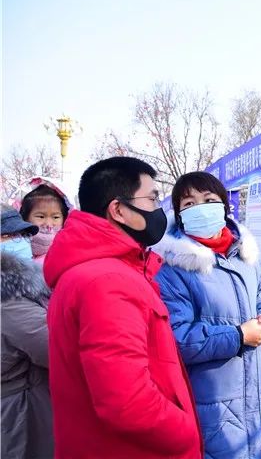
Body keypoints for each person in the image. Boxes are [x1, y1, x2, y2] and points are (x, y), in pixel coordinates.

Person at [43, 157, 202, 459]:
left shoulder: (95, 271)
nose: (158, 210)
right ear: (118, 210)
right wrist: (186, 433)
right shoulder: (108, 281)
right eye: (152, 199)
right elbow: (127, 402)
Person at [154, 171, 261, 459]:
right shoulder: (171, 267)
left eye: (209, 200)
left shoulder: (245, 255)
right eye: (189, 203)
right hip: (210, 403)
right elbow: (175, 338)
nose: (200, 208)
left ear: (224, 206)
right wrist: (238, 336)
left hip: (256, 397)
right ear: (179, 214)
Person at [1, 205, 54, 458]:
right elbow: (54, 347)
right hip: (21, 412)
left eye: (22, 235)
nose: (19, 241)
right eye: (8, 236)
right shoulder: (9, 300)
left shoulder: (22, 288)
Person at [18, 178, 73, 265]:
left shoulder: (70, 254)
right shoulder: (13, 248)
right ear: (25, 218)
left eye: (55, 217)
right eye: (41, 217)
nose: (48, 224)